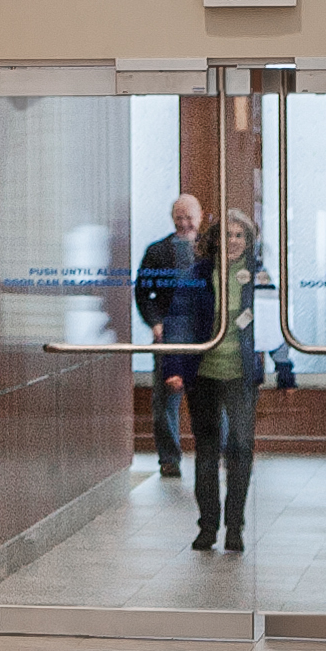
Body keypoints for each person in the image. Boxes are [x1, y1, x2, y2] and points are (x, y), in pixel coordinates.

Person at [184, 209, 265, 555]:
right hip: (203, 373)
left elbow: (273, 324)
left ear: (248, 241)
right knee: (206, 450)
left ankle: (235, 526)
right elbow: (180, 320)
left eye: (239, 235)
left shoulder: (260, 276)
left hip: (241, 374)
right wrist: (174, 365)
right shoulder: (197, 273)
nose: (232, 242)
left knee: (242, 448)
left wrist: (284, 364)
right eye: (225, 235)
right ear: (213, 240)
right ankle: (207, 526)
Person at [129, 191, 213, 486]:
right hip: (168, 336)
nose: (185, 223)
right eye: (180, 217)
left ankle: (218, 454)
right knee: (165, 401)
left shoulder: (212, 250)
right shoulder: (157, 252)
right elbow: (143, 292)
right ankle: (169, 460)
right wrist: (155, 323)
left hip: (204, 336)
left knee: (210, 397)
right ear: (172, 218)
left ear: (200, 217)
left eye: (190, 217)